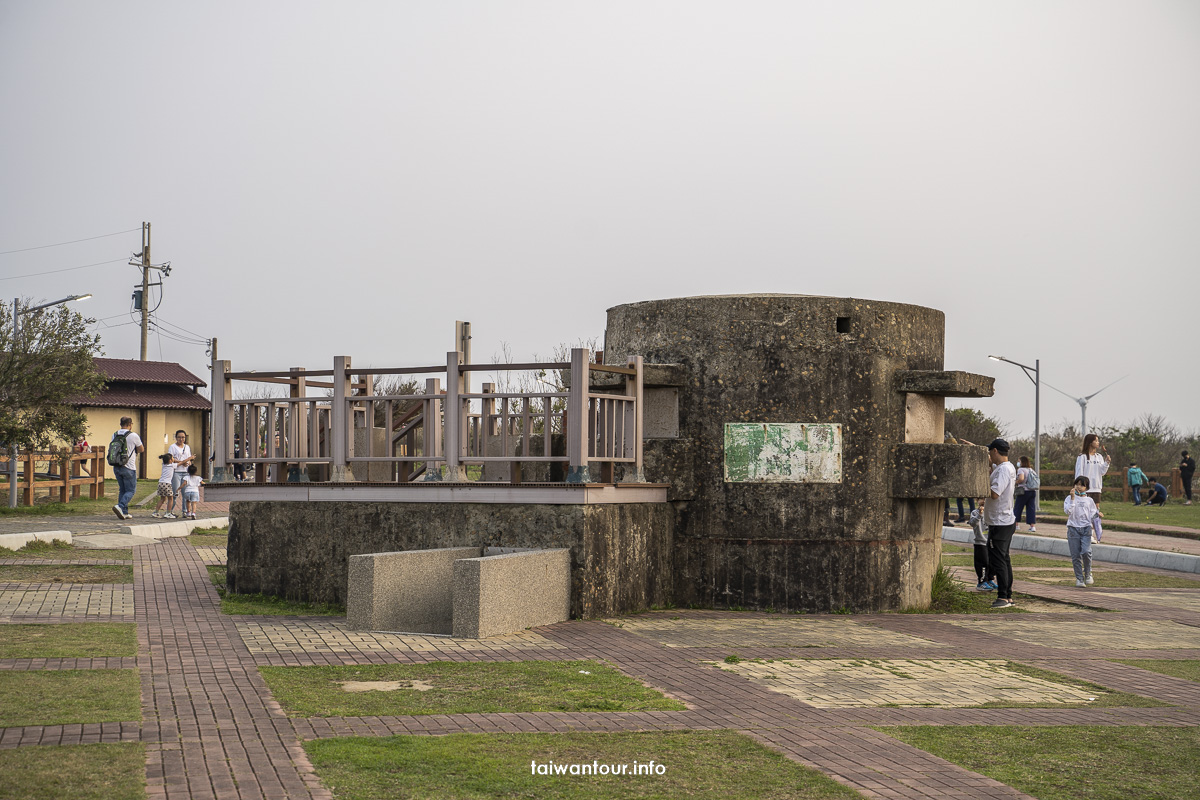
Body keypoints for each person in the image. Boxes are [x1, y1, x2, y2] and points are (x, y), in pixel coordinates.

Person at [981, 438, 1017, 609]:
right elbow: (992, 465)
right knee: (1004, 559)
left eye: (990, 452)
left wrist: (980, 488)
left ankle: (1003, 596)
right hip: (1005, 520)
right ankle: (1008, 596)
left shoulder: (1003, 471)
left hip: (999, 521)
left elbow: (995, 493)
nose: (989, 455)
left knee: (998, 561)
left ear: (995, 451)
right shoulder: (1007, 467)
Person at [1063, 476, 1101, 587]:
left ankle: (1088, 573)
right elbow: (1068, 511)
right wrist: (1073, 498)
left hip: (1086, 529)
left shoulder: (1089, 500)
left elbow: (1092, 514)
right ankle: (1079, 578)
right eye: (1077, 484)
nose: (1079, 487)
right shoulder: (1068, 498)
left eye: (1082, 485)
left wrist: (1098, 515)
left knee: (1086, 551)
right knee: (1075, 555)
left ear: (1086, 487)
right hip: (1073, 529)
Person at [1074, 433, 1110, 543]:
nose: (1098, 443)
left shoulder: (1099, 457)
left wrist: (1107, 462)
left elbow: (1102, 472)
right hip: (1086, 489)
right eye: (1096, 441)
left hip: (1096, 488)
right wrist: (1079, 488)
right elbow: (1079, 473)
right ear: (1090, 442)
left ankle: (1096, 535)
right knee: (1085, 513)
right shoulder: (1082, 457)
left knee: (1095, 513)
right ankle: (1087, 534)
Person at [109, 416, 144, 519]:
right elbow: (141, 449)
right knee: (131, 490)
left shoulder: (114, 434)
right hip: (129, 466)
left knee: (122, 490)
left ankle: (124, 512)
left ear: (120, 424)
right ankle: (120, 506)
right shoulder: (133, 435)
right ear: (130, 424)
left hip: (117, 466)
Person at [969, 505, 995, 591]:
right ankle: (981, 581)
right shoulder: (975, 513)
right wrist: (979, 515)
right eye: (981, 499)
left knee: (992, 562)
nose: (984, 501)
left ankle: (989, 579)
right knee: (983, 562)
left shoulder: (991, 511)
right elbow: (972, 523)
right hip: (980, 542)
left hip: (990, 541)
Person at [168, 430, 194, 515]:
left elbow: (189, 458)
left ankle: (185, 511)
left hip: (185, 472)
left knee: (185, 493)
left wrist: (188, 462)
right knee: (175, 492)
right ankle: (170, 511)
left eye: (183, 437)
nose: (181, 439)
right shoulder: (172, 447)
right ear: (176, 438)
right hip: (176, 472)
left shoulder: (187, 447)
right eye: (179, 437)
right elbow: (171, 459)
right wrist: (181, 462)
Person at [1013, 456, 1037, 532]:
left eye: (1019, 461)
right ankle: (1032, 526)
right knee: (1031, 508)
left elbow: (1021, 479)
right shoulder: (1031, 470)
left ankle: (1016, 524)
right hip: (1032, 491)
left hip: (1023, 491)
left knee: (1018, 507)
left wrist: (1015, 482)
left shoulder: (1021, 470)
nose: (1018, 463)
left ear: (1022, 462)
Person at [151, 453, 174, 518]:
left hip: (160, 483)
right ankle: (168, 513)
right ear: (170, 460)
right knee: (170, 498)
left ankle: (156, 512)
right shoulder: (172, 465)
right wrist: (189, 458)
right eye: (172, 458)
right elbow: (182, 462)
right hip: (167, 484)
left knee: (162, 499)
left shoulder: (163, 465)